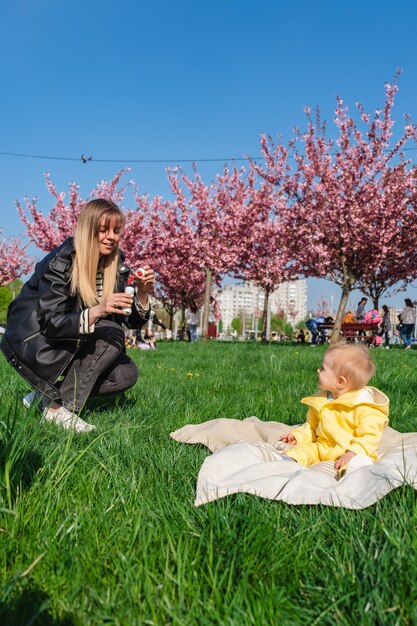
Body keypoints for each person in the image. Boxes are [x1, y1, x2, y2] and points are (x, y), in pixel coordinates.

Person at [1, 199, 154, 432]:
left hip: (71, 339)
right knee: (111, 332)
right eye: (103, 230)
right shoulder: (63, 261)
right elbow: (51, 323)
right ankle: (56, 411)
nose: (111, 237)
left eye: (115, 231)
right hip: (35, 339)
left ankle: (44, 397)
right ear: (87, 230)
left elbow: (129, 319)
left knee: (125, 373)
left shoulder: (115, 265)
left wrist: (142, 293)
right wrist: (98, 311)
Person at [279, 343, 389, 473]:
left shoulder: (364, 405)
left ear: (340, 382)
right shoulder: (321, 400)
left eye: (323, 369)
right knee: (303, 450)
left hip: (348, 451)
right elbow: (311, 426)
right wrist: (297, 436)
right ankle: (288, 461)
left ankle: (352, 471)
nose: (318, 370)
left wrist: (353, 452)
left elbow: (370, 436)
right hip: (321, 448)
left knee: (355, 463)